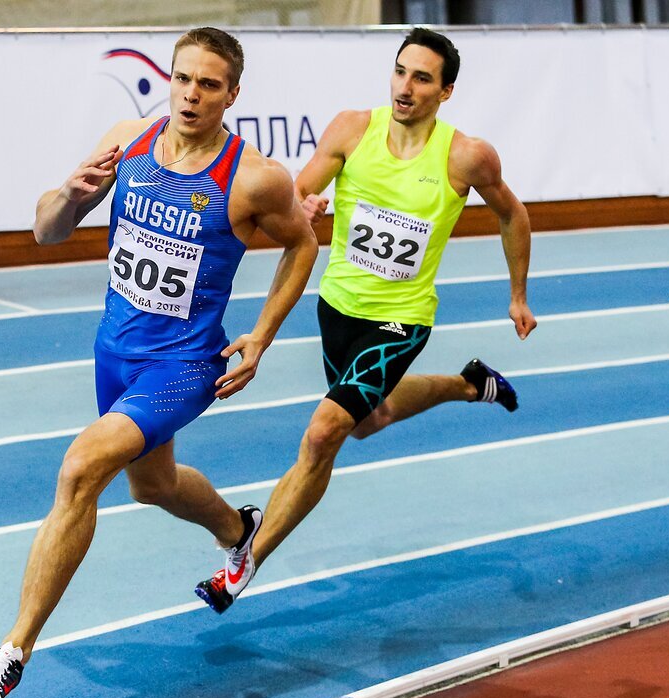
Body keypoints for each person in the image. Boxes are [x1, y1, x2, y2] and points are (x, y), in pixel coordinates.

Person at [0, 27, 319, 698]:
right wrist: (69, 192)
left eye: (208, 84)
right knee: (151, 486)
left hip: (183, 365)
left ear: (232, 94)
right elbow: (47, 230)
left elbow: (303, 244)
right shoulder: (131, 140)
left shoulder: (254, 178)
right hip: (114, 350)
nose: (191, 94)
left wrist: (262, 337)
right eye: (183, 78)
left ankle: (12, 650)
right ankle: (241, 531)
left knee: (80, 469)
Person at [194, 27, 538, 614]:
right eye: (401, 71)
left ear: (445, 91)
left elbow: (513, 215)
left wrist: (518, 295)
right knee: (366, 420)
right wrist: (304, 205)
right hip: (338, 308)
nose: (406, 86)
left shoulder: (466, 156)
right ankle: (467, 383)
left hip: (401, 320)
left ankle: (246, 560)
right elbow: (297, 193)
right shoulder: (353, 129)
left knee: (324, 432)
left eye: (422, 77)